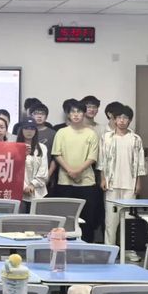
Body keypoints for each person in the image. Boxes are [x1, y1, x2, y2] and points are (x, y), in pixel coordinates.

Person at [98, 105, 147, 260]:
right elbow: (102, 160)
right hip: (112, 185)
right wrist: (103, 179)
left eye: (125, 118)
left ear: (130, 120)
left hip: (129, 185)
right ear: (114, 119)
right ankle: (109, 252)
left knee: (128, 220)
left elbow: (140, 164)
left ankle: (128, 251)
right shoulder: (106, 137)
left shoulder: (136, 139)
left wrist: (138, 182)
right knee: (110, 221)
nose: (122, 121)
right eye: (119, 117)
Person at [51, 99, 99, 242]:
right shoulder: (61, 132)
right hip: (65, 182)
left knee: (87, 218)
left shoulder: (91, 133)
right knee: (65, 218)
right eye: (73, 112)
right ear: (68, 114)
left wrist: (78, 171)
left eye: (79, 111)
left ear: (84, 114)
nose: (76, 114)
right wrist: (70, 171)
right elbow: (57, 154)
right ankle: (65, 248)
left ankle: (86, 247)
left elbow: (93, 157)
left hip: (86, 182)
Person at [17, 119, 48, 213]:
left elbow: (43, 169)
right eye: (26, 128)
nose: (29, 131)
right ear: (21, 130)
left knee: (36, 220)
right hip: (19, 192)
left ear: (36, 131)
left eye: (32, 128)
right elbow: (14, 170)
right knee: (20, 219)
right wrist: (24, 186)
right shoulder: (15, 147)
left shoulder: (42, 147)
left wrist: (33, 184)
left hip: (38, 191)